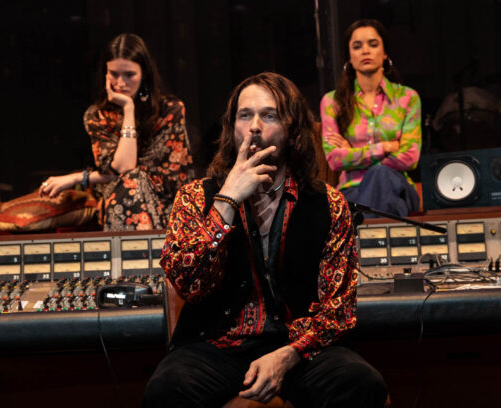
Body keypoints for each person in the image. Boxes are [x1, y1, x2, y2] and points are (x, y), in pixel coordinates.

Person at [143, 72, 387, 407]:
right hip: (217, 346)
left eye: (268, 115)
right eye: (245, 116)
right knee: (166, 389)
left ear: (292, 129)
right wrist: (227, 200)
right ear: (233, 128)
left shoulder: (329, 204)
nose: (255, 126)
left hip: (298, 348)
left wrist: (288, 355)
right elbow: (190, 284)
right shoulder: (194, 198)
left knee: (362, 384)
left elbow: (338, 309)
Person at [39, 33, 193, 230]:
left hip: (167, 203)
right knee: (129, 187)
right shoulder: (98, 115)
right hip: (120, 201)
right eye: (114, 74)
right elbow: (124, 168)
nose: (120, 83)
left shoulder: (170, 109)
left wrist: (79, 177)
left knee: (133, 184)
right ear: (105, 73)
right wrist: (129, 110)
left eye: (129, 75)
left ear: (144, 72)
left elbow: (146, 174)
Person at [320, 19, 421, 217]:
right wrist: (383, 148)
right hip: (352, 192)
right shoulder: (333, 101)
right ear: (349, 56)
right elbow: (334, 159)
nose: (365, 51)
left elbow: (410, 157)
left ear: (385, 53)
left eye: (373, 44)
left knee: (380, 174)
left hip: (399, 187)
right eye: (357, 46)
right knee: (394, 209)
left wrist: (355, 153)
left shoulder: (407, 98)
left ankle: (362, 241)